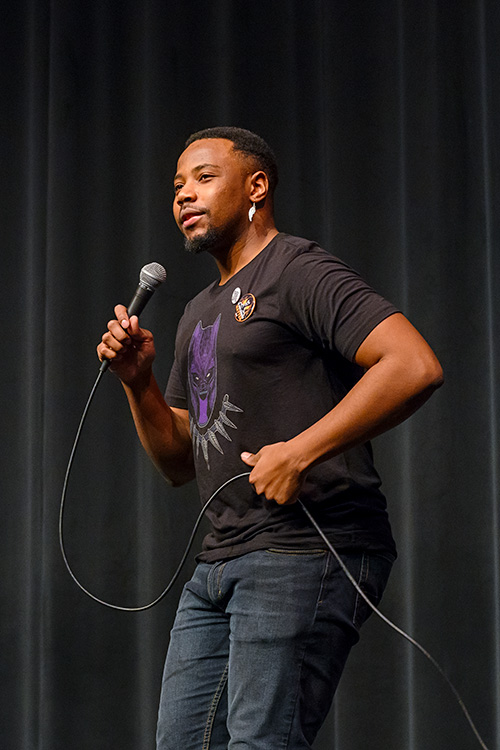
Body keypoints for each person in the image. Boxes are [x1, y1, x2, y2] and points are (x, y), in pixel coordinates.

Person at [97, 127, 443, 749]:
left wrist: (301, 450)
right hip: (220, 561)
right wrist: (138, 382)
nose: (184, 195)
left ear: (256, 187)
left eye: (204, 178)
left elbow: (412, 364)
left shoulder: (298, 270)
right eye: (178, 185)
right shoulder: (199, 310)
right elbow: (180, 458)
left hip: (306, 545)